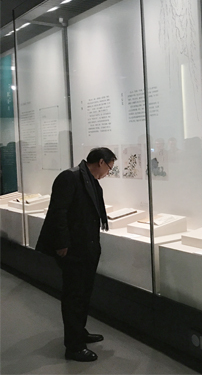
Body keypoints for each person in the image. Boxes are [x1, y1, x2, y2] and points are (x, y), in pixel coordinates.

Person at [36, 147, 116, 362]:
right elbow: (58, 212)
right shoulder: (70, 177)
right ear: (101, 162)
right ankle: (74, 347)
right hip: (74, 249)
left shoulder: (89, 180)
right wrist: (62, 244)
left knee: (83, 293)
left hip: (86, 247)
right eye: (109, 168)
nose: (108, 173)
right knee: (74, 296)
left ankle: (79, 332)